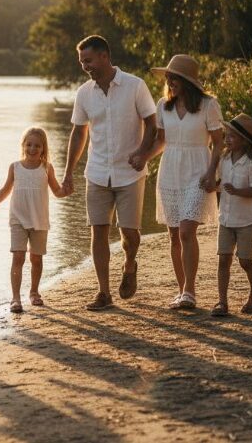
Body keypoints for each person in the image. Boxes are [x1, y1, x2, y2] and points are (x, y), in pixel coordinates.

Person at [61, 35, 157, 311]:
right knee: (98, 231)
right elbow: (79, 133)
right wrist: (69, 172)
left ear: (104, 56)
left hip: (130, 172)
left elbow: (151, 123)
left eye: (88, 60)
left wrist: (142, 152)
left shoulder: (135, 86)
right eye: (81, 62)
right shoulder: (84, 93)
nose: (85, 66)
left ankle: (129, 264)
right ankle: (103, 292)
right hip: (97, 171)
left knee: (130, 234)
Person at [145, 54, 224, 310]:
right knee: (174, 236)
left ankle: (190, 291)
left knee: (187, 231)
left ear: (187, 81)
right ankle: (182, 291)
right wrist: (141, 156)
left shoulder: (208, 105)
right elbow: (161, 141)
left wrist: (213, 173)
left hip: (198, 172)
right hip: (170, 172)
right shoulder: (163, 106)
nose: (169, 81)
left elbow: (219, 142)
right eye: (168, 77)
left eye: (174, 77)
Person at [0, 127, 66, 313]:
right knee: (18, 257)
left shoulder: (47, 168)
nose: (32, 149)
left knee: (36, 258)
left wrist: (67, 188)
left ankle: (34, 292)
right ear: (23, 146)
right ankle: (15, 298)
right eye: (29, 145)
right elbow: (5, 189)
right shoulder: (15, 167)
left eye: (37, 146)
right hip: (18, 218)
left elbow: (57, 191)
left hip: (40, 220)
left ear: (43, 148)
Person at [211, 113, 252, 317]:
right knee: (223, 259)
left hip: (246, 221)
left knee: (245, 261)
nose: (227, 139)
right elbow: (221, 184)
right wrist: (212, 186)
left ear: (244, 141)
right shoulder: (224, 158)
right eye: (227, 135)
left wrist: (236, 190)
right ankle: (222, 302)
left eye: (232, 136)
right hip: (225, 218)